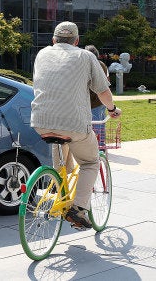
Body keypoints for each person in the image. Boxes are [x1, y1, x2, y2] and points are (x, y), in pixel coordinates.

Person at [31, 21, 121, 230]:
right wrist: (111, 109)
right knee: (91, 161)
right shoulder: (86, 56)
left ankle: (60, 187)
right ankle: (78, 208)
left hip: (40, 122)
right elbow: (102, 91)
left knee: (60, 148)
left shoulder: (42, 54)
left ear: (53, 40)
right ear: (77, 41)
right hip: (74, 124)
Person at [85, 45, 109, 149]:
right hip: (101, 101)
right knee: (100, 126)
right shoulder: (102, 65)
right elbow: (107, 81)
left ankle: (96, 149)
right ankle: (101, 147)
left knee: (94, 128)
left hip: (91, 102)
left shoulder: (86, 65)